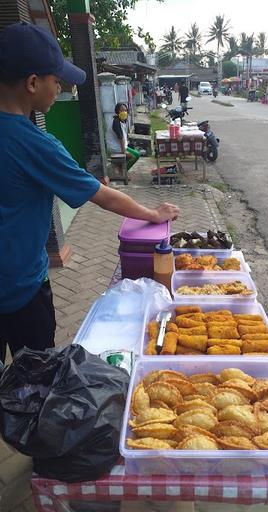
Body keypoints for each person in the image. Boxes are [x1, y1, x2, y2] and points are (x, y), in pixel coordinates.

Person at [0, 22, 179, 363]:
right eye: (57, 81)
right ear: (33, 83)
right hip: (21, 292)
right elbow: (102, 195)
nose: (61, 88)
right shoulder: (34, 144)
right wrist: (153, 215)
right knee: (37, 381)